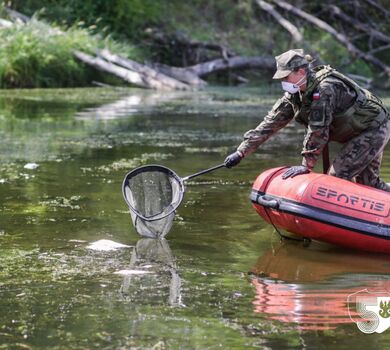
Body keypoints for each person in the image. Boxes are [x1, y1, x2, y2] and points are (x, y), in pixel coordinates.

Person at [224, 49, 390, 192]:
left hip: (374, 128)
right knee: (370, 184)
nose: (284, 82)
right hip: (359, 129)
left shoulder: (325, 89)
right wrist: (241, 152)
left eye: (286, 77)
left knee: (337, 177)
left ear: (301, 71)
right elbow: (270, 123)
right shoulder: (294, 95)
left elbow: (318, 130)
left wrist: (306, 165)